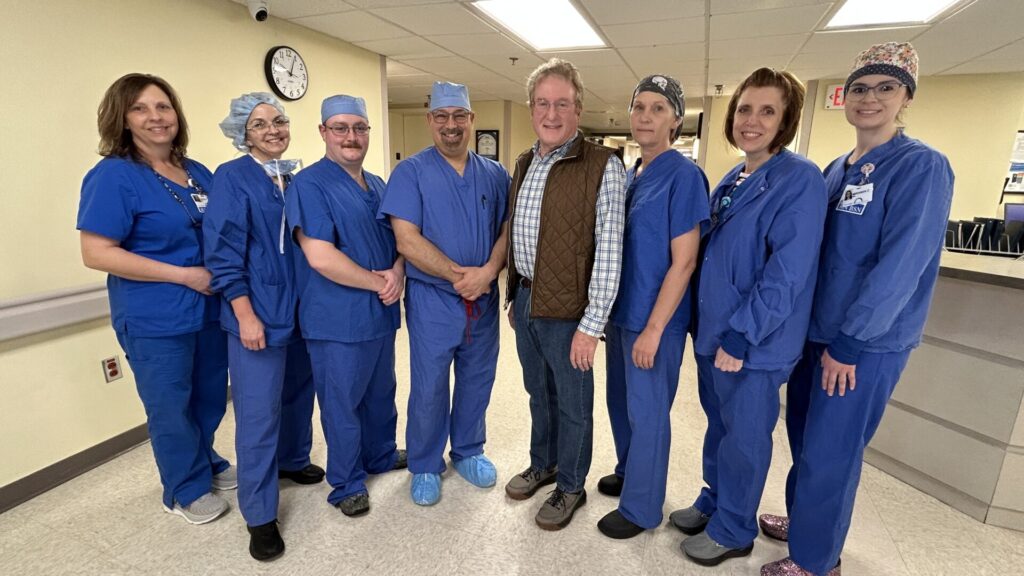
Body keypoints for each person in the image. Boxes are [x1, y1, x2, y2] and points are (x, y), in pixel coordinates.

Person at [760, 42, 954, 576]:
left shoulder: (920, 167)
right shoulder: (836, 169)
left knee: (832, 451)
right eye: (862, 88)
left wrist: (849, 342)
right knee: (804, 439)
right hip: (816, 335)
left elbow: (901, 266)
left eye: (886, 88)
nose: (871, 98)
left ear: (905, 97)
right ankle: (806, 521)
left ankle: (815, 560)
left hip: (862, 344)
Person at [668, 68, 827, 566]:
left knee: (745, 438)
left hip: (752, 343)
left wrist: (741, 335)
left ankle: (735, 527)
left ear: (786, 121)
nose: (751, 121)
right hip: (715, 334)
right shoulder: (734, 178)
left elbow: (788, 272)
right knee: (719, 427)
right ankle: (717, 501)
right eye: (743, 109)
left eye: (767, 111)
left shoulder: (798, 179)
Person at [77, 73, 233, 525]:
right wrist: (184, 275)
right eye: (141, 109)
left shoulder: (196, 172)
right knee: (170, 405)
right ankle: (184, 487)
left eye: (163, 106)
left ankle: (205, 461)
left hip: (208, 309)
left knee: (208, 398)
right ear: (123, 120)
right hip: (155, 318)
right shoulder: (113, 176)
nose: (156, 117)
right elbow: (96, 252)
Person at [503, 58, 627, 531]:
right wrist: (514, 293)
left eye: (562, 103)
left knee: (573, 404)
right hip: (529, 302)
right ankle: (544, 463)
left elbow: (610, 252)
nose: (550, 113)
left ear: (578, 109)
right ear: (531, 108)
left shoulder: (604, 166)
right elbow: (519, 233)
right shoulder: (525, 161)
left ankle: (571, 484)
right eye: (542, 103)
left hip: (572, 313)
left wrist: (592, 326)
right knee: (539, 394)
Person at [203, 92, 325, 561]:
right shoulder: (232, 178)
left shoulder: (291, 175)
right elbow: (223, 251)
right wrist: (245, 313)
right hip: (257, 315)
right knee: (257, 414)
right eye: (258, 125)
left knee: (298, 395)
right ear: (242, 134)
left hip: (298, 312)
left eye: (278, 120)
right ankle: (259, 515)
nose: (272, 129)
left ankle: (293, 461)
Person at [380, 82, 511, 506]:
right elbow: (406, 240)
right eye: (441, 116)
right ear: (430, 121)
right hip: (434, 298)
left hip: (484, 299)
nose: (450, 125)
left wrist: (489, 271)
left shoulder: (494, 173)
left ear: (472, 120)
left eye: (459, 116)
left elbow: (507, 230)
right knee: (430, 384)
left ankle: (469, 450)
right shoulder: (411, 173)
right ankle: (424, 462)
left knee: (478, 379)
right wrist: (462, 277)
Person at [597, 75, 708, 539]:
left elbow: (683, 263)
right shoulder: (630, 173)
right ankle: (629, 470)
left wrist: (654, 329)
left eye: (658, 108)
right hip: (623, 313)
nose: (646, 115)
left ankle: (642, 508)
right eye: (639, 106)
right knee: (620, 403)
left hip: (653, 320)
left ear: (676, 121)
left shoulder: (683, 176)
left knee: (648, 410)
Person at [285, 95, 407, 517]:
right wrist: (379, 280)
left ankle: (380, 453)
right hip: (336, 318)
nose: (351, 137)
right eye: (340, 128)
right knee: (342, 402)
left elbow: (400, 237)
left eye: (359, 128)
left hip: (379, 313)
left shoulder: (377, 183)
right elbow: (319, 255)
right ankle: (347, 481)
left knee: (380, 393)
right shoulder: (309, 184)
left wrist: (398, 269)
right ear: (323, 132)